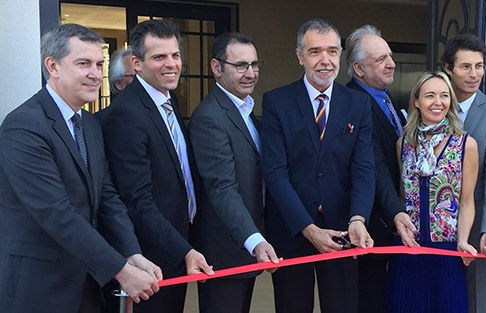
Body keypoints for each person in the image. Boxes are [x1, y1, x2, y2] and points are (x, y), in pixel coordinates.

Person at [0, 23, 161, 313]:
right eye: (83, 63)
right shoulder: (23, 126)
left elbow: (108, 197)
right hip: (40, 286)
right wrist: (122, 271)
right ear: (53, 66)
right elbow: (56, 212)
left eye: (99, 64)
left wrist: (131, 252)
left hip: (87, 282)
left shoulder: (88, 123)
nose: (95, 74)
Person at [261, 18, 375, 313]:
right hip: (292, 231)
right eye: (315, 52)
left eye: (332, 51)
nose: (325, 60)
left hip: (342, 231)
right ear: (300, 56)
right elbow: (275, 173)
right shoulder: (276, 102)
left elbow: (363, 169)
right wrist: (308, 229)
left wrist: (358, 219)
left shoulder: (358, 104)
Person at [100, 19, 214, 313]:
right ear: (136, 63)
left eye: (175, 55)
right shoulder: (126, 114)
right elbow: (137, 200)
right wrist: (183, 250)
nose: (171, 64)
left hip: (177, 244)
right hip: (150, 258)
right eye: (159, 57)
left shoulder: (168, 98)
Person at [188, 32, 280, 313]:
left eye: (254, 65)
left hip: (245, 245)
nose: (251, 73)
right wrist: (254, 240)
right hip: (226, 247)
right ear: (217, 68)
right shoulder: (209, 117)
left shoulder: (246, 109)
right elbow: (221, 188)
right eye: (241, 65)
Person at [385, 71, 478, 313]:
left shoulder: (465, 144)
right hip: (408, 251)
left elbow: (467, 201)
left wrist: (463, 241)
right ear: (416, 100)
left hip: (447, 252)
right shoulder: (403, 143)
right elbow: (403, 198)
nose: (438, 102)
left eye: (444, 95)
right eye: (430, 95)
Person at [344, 24, 416, 313]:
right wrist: (395, 212)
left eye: (390, 56)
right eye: (381, 59)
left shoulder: (387, 98)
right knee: (369, 301)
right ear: (358, 68)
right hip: (371, 226)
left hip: (394, 224)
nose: (392, 63)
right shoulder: (352, 101)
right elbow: (373, 167)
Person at [441, 33, 486, 313]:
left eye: (479, 66)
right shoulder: (432, 104)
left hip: (478, 221)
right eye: (466, 67)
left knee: (476, 297)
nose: (474, 74)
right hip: (433, 222)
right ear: (448, 68)